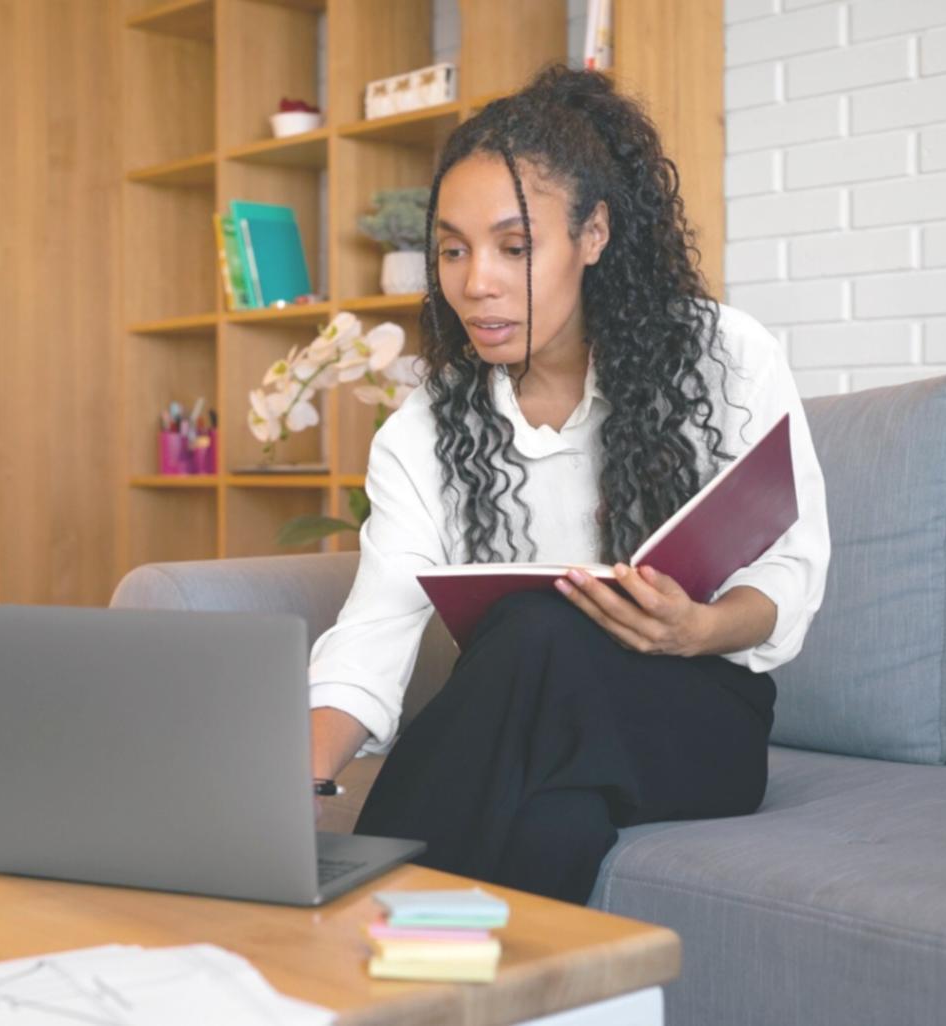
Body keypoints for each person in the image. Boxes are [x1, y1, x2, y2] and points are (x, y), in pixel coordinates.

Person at [306, 65, 832, 906]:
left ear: (593, 233)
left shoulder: (724, 356)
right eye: (451, 248)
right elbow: (374, 631)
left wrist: (693, 629)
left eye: (514, 247)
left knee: (532, 626)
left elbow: (789, 574)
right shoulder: (426, 426)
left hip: (699, 722)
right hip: (542, 730)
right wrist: (297, 775)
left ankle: (340, 923)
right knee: (554, 824)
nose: (474, 279)